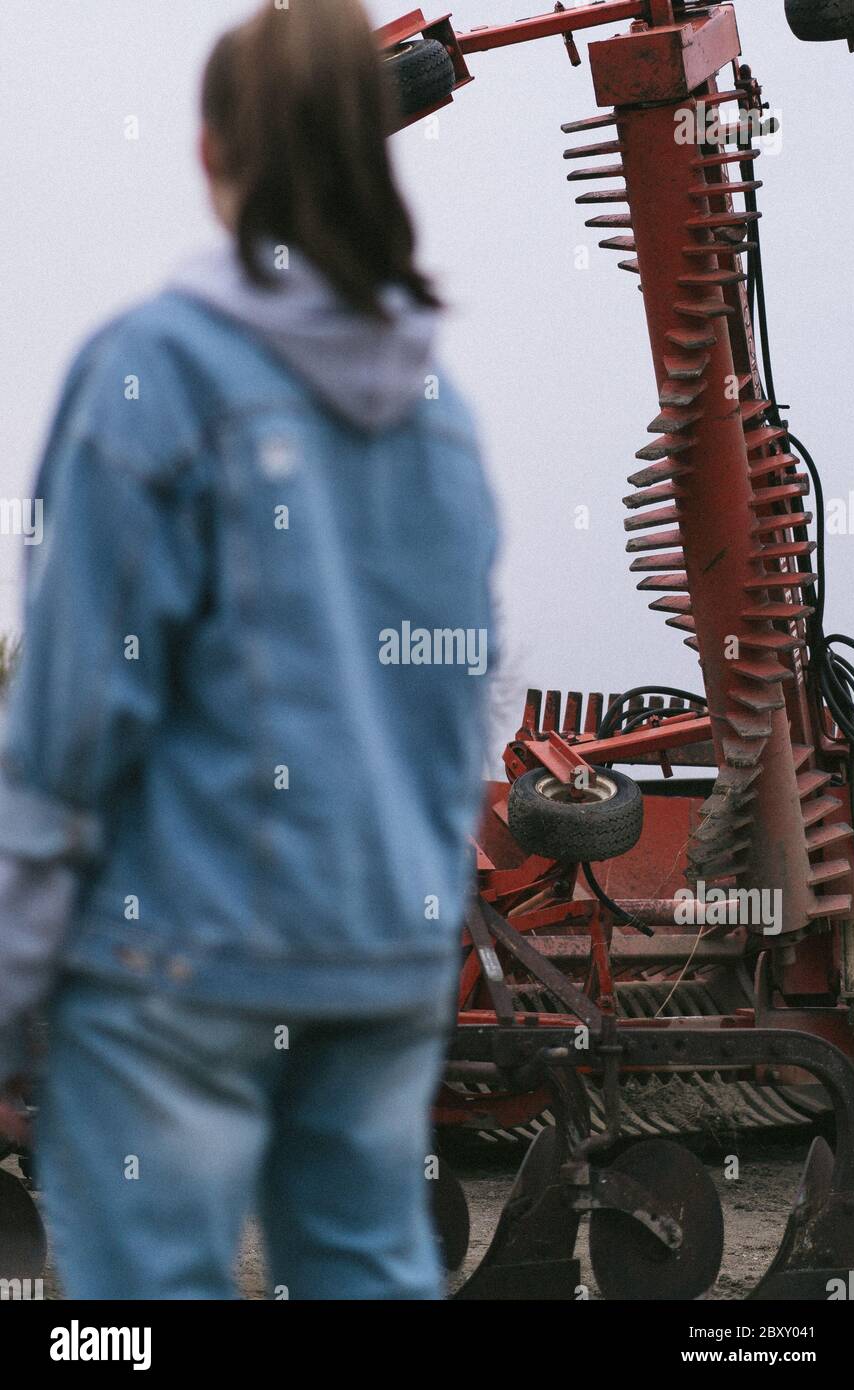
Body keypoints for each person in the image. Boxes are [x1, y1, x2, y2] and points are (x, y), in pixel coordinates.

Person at [0, 0, 496, 1299]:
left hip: (181, 955)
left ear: (217, 153)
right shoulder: (441, 419)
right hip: (381, 952)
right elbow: (454, 720)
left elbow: (67, 731)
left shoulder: (151, 372)